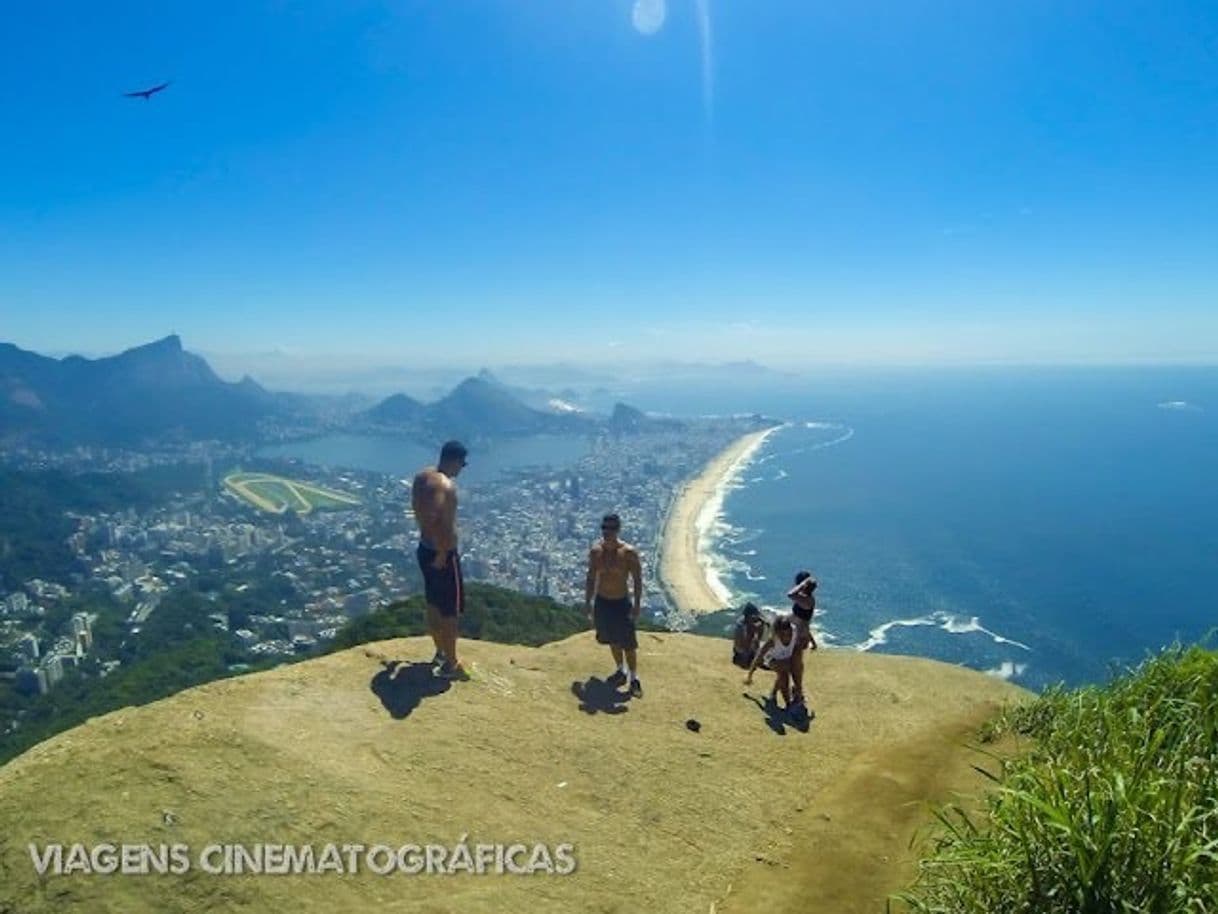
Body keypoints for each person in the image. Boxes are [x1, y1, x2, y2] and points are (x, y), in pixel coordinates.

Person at [411, 440, 469, 680]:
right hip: (442, 556)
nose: (462, 469)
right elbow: (436, 516)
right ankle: (451, 663)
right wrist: (444, 553)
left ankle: (440, 652)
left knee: (433, 603)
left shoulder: (422, 477)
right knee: (450, 610)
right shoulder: (446, 486)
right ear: (454, 460)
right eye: (462, 464)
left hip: (424, 548)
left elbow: (419, 509)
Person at [585, 513, 644, 697]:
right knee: (611, 639)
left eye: (611, 528)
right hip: (603, 601)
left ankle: (634, 678)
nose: (607, 532)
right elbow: (591, 577)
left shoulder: (628, 553)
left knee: (628, 643)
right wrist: (588, 602)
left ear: (618, 530)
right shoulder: (596, 552)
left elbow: (637, 580)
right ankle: (621, 670)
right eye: (604, 528)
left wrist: (636, 605)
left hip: (621, 602)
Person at [745, 615, 798, 708]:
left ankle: (773, 694)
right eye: (783, 635)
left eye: (789, 634)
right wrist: (750, 675)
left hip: (786, 658)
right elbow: (758, 656)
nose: (786, 637)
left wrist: (813, 643)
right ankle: (788, 703)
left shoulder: (795, 631)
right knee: (784, 675)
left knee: (791, 668)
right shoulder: (772, 641)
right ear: (778, 633)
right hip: (771, 660)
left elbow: (806, 633)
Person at [787, 570, 818, 710]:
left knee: (796, 667)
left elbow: (790, 594)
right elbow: (803, 621)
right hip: (797, 635)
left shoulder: (807, 600)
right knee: (793, 665)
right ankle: (795, 692)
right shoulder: (805, 598)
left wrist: (802, 584)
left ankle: (798, 694)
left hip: (799, 639)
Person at [732, 602, 765, 668]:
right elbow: (745, 643)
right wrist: (755, 630)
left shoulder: (743, 621)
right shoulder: (742, 626)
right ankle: (751, 660)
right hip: (742, 651)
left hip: (742, 649)